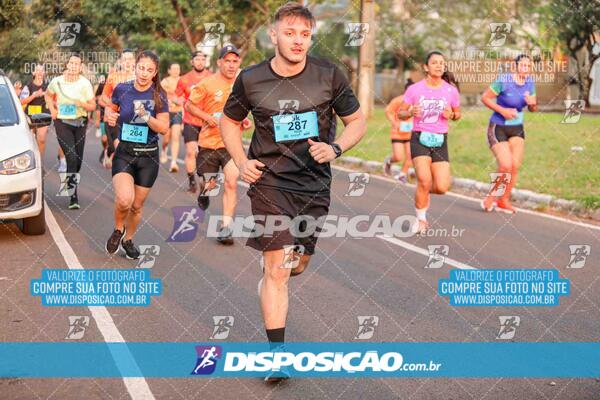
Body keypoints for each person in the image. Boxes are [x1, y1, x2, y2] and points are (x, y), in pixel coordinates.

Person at [221, 2, 366, 382]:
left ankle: (285, 260)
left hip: (314, 185)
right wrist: (239, 160)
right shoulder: (251, 79)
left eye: (304, 34)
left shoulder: (329, 75)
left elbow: (357, 121)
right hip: (269, 182)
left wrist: (336, 148)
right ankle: (277, 356)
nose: (298, 41)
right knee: (277, 269)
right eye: (290, 33)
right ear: (274, 35)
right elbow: (229, 121)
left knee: (295, 264)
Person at [104, 50, 169, 259]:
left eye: (149, 70)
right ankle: (117, 229)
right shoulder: (122, 89)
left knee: (137, 206)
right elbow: (110, 114)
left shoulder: (159, 94)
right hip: (125, 153)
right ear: (135, 67)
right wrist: (112, 125)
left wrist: (146, 116)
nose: (144, 73)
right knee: (124, 200)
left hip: (148, 157)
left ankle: (128, 239)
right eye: (141, 68)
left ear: (155, 72)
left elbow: (164, 128)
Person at [187, 44, 252, 245]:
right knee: (210, 183)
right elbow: (189, 105)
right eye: (228, 61)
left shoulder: (243, 84)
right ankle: (205, 192)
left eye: (235, 61)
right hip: (209, 143)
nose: (231, 65)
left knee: (232, 183)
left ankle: (226, 228)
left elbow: (243, 108)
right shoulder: (207, 84)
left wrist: (245, 120)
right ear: (219, 62)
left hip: (231, 144)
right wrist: (207, 117)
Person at [397, 51, 461, 234]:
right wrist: (410, 113)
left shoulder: (451, 90)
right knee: (424, 180)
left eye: (442, 63)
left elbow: (458, 114)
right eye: (435, 63)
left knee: (441, 187)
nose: (439, 65)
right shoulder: (415, 89)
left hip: (440, 140)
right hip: (420, 138)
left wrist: (452, 115)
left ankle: (422, 192)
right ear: (426, 67)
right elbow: (400, 113)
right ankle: (421, 219)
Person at [481, 54, 537, 214]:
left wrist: (532, 105)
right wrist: (503, 111)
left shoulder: (530, 83)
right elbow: (485, 98)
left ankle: (503, 201)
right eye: (523, 65)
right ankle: (492, 196)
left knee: (514, 166)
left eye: (528, 66)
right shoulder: (504, 80)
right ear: (516, 66)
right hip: (498, 126)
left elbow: (533, 109)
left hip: (517, 127)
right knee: (505, 165)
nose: (526, 69)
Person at [46, 53, 96, 209]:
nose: (74, 66)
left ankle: (69, 182)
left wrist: (81, 103)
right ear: (67, 65)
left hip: (80, 123)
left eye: (77, 63)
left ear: (80, 67)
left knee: (78, 160)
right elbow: (48, 96)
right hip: (62, 122)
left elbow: (92, 106)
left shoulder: (85, 83)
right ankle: (73, 197)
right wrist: (52, 109)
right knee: (72, 158)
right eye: (71, 63)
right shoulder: (57, 81)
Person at [175, 51, 211, 191]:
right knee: (190, 152)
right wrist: (178, 100)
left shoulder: (211, 78)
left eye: (203, 59)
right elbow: (176, 96)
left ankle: (203, 179)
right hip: (190, 121)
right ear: (192, 62)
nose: (200, 62)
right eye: (197, 59)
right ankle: (192, 182)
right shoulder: (184, 79)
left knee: (204, 154)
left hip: (207, 122)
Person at [102, 49, 136, 165]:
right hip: (114, 116)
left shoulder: (140, 78)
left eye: (130, 59)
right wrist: (114, 105)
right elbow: (104, 97)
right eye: (124, 59)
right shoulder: (113, 77)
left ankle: (125, 169)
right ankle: (109, 152)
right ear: (120, 62)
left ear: (134, 61)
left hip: (132, 118)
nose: (127, 62)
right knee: (116, 145)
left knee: (126, 146)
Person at [383, 80, 414, 183]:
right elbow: (388, 110)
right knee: (398, 157)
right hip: (398, 133)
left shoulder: (418, 102)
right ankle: (389, 161)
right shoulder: (399, 100)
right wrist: (394, 123)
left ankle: (402, 175)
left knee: (410, 156)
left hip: (410, 133)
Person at [21, 64, 51, 155]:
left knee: (41, 139)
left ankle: (40, 164)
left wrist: (47, 95)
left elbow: (53, 100)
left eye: (42, 71)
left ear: (44, 73)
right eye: (37, 70)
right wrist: (34, 95)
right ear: (34, 72)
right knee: (31, 140)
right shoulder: (28, 87)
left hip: (43, 114)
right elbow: (22, 101)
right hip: (30, 115)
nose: (39, 73)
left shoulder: (48, 87)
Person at [160, 63, 183, 164]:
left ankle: (173, 162)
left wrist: (180, 101)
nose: (176, 71)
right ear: (169, 71)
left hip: (178, 112)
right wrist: (169, 100)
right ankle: (164, 150)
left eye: (177, 68)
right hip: (167, 113)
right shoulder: (165, 81)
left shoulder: (183, 81)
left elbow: (186, 96)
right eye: (173, 69)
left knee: (176, 136)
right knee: (166, 138)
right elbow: (160, 96)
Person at [94, 74, 110, 168]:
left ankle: (110, 156)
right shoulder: (102, 85)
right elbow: (97, 99)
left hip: (117, 118)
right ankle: (105, 151)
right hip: (104, 116)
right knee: (104, 139)